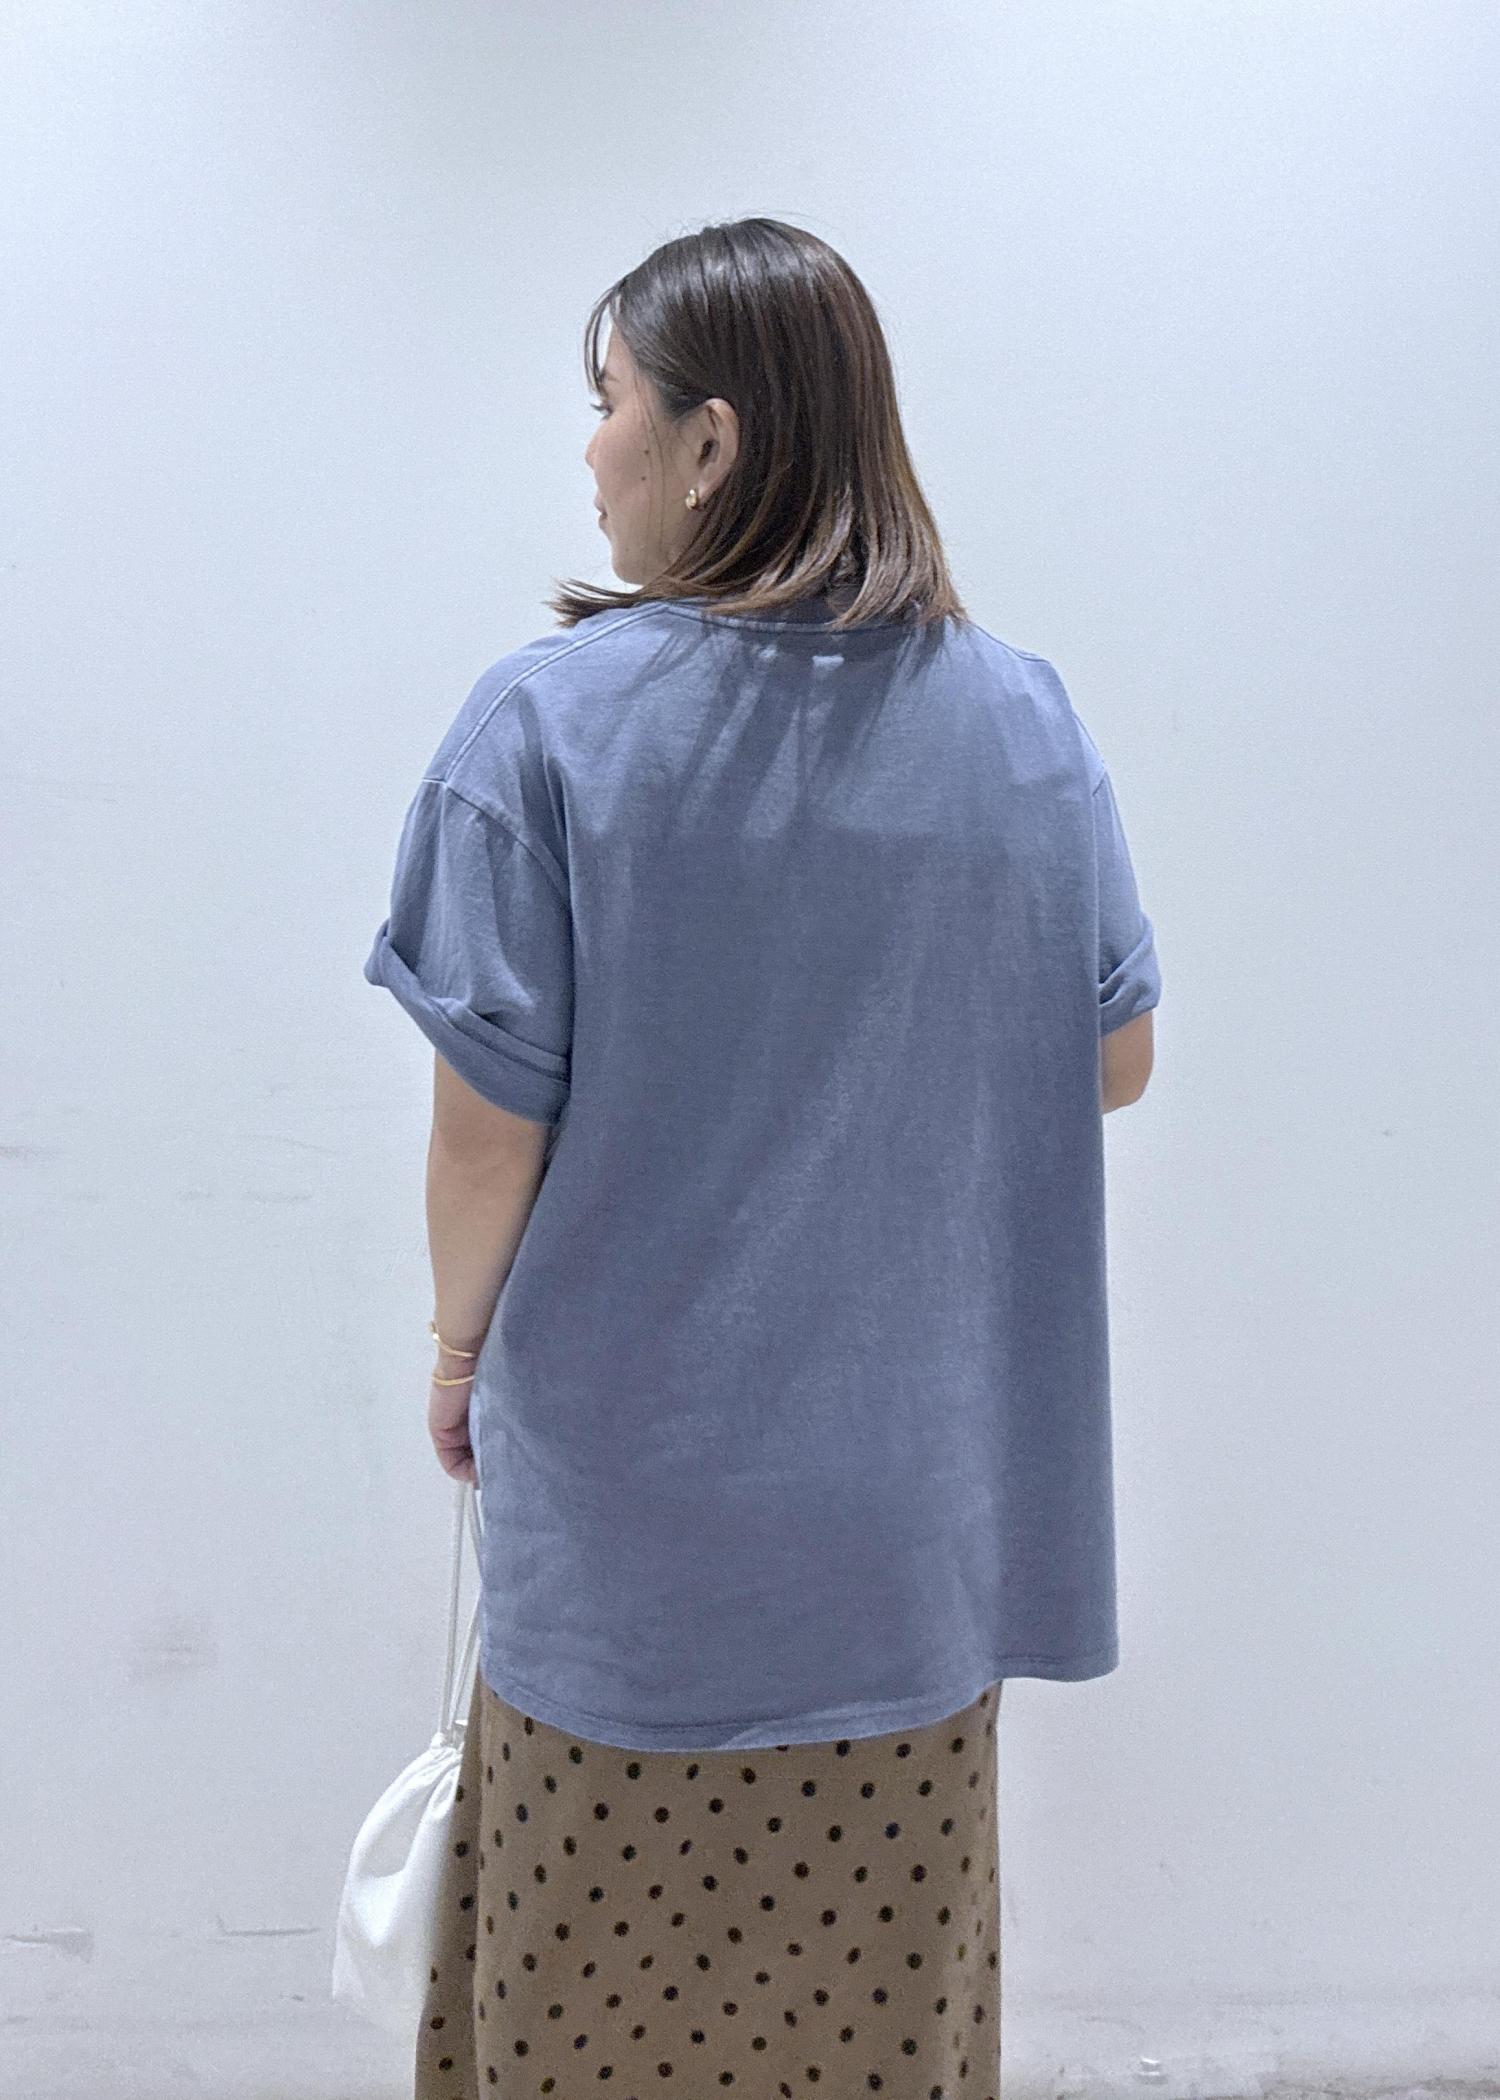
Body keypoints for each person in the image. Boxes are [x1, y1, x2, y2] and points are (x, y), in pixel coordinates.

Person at [363, 215, 1161, 2100]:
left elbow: (484, 1139)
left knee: (588, 2022)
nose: (592, 450)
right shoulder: (1022, 722)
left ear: (710, 442)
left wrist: (459, 1354)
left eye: (610, 402)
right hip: (911, 1545)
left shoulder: (545, 728)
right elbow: (1113, 1061)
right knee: (873, 2032)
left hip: (637, 1557)